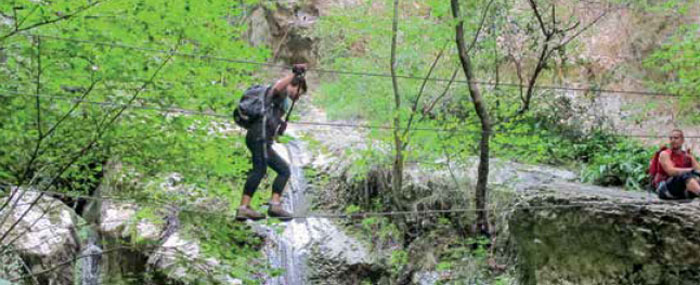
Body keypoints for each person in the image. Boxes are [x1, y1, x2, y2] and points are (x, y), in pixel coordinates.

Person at [236, 64, 308, 221]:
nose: (297, 97)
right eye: (298, 93)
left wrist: (278, 129)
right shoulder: (278, 94)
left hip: (262, 139)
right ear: (291, 86)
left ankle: (275, 205)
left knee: (284, 170)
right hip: (258, 136)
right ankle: (243, 208)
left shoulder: (279, 105)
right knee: (259, 170)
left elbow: (270, 122)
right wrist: (294, 74)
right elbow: (278, 86)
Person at [654, 129, 700, 199]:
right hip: (665, 189)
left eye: (676, 138)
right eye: (671, 138)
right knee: (684, 175)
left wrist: (695, 173)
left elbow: (698, 170)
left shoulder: (687, 156)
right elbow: (671, 171)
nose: (673, 140)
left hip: (681, 190)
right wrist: (691, 170)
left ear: (682, 140)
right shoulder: (664, 154)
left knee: (693, 176)